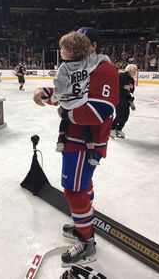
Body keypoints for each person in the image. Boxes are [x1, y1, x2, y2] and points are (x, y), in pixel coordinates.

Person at [33, 27, 119, 266]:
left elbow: (99, 110)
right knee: (83, 185)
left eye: (83, 43)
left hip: (86, 143)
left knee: (73, 190)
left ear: (93, 46)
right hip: (74, 139)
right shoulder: (83, 66)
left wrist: (66, 113)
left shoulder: (105, 69)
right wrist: (46, 93)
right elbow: (69, 94)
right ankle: (85, 222)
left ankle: (86, 242)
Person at [52, 31, 110, 166]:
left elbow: (59, 88)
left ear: (70, 50)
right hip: (82, 103)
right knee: (85, 129)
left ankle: (61, 139)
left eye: (62, 48)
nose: (60, 51)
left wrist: (55, 99)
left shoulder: (64, 68)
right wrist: (107, 61)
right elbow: (103, 58)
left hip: (67, 104)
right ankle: (91, 152)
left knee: (64, 119)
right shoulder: (88, 62)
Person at [110, 63, 137, 139]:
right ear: (129, 70)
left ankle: (119, 129)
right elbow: (114, 85)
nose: (135, 73)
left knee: (126, 116)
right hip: (119, 98)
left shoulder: (131, 79)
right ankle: (112, 129)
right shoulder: (121, 76)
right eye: (134, 71)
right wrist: (124, 86)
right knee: (120, 114)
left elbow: (132, 91)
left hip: (126, 99)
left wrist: (131, 88)